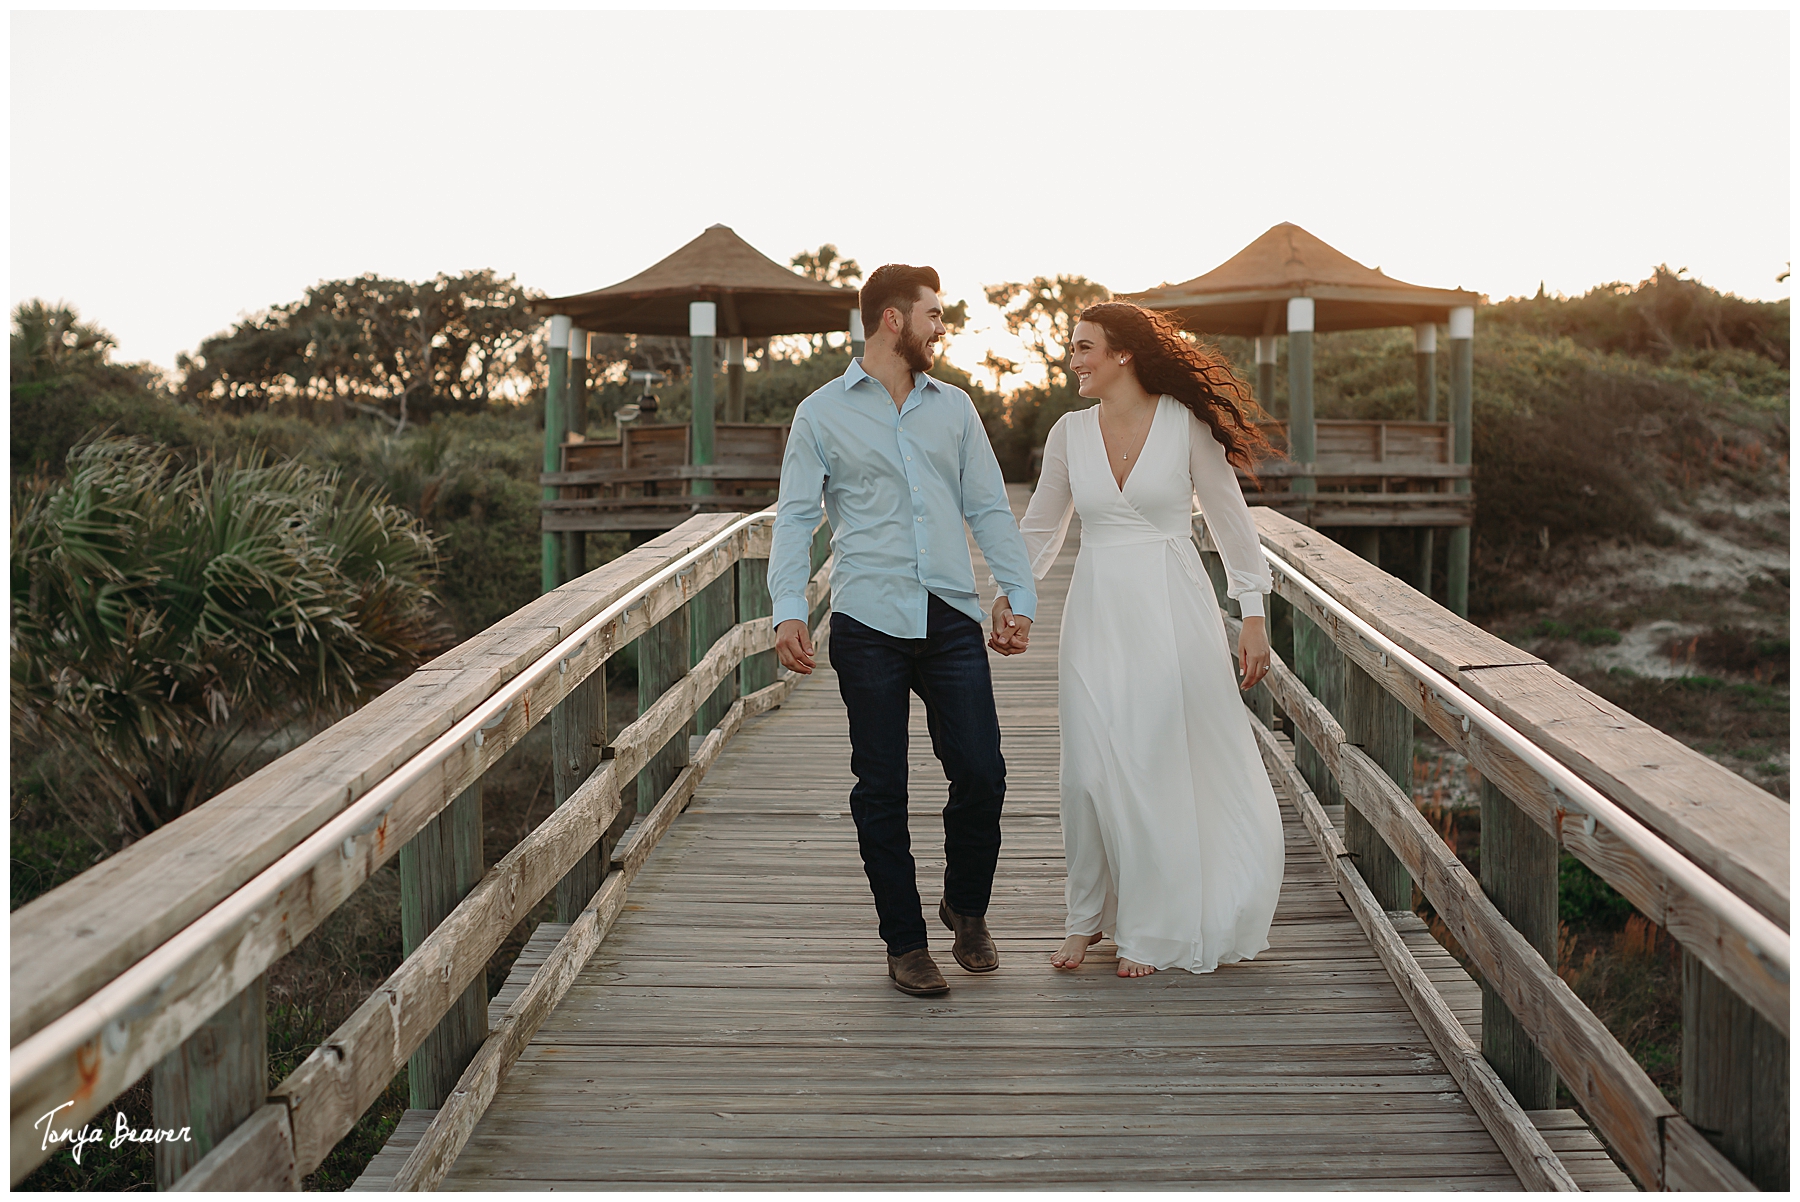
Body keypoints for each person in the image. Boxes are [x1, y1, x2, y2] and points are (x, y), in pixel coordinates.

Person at [768, 263, 1039, 998]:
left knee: (982, 773)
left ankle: (966, 906)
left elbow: (987, 507)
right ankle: (906, 942)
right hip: (867, 619)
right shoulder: (820, 413)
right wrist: (789, 606)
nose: (942, 327)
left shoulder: (954, 409)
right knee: (880, 786)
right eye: (934, 314)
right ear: (893, 320)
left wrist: (1016, 594)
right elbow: (795, 517)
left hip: (950, 615)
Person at [992, 301, 1285, 978]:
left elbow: (1230, 519)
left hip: (1172, 605)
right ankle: (1084, 919)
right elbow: (1041, 526)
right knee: (1088, 768)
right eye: (1072, 349)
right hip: (1096, 610)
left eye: (1085, 348)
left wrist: (1251, 613)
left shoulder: (1183, 426)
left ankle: (1151, 928)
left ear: (1124, 354)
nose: (1074, 361)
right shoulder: (1069, 433)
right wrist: (1011, 592)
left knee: (1154, 757)